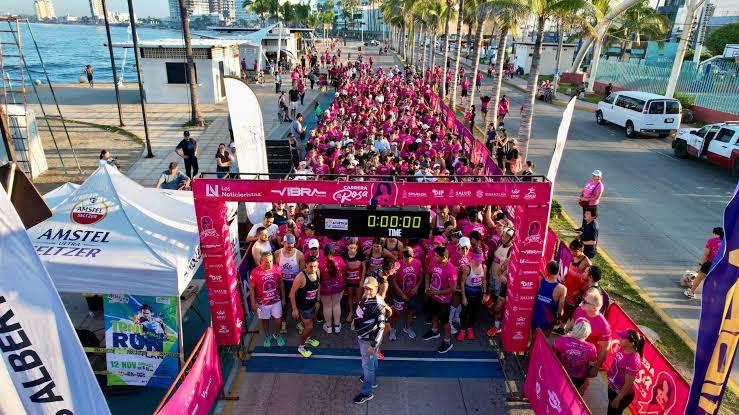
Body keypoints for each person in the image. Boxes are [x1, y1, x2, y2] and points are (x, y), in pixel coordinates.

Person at [352, 276, 387, 404]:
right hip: (364, 336)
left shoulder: (377, 304)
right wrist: (355, 321)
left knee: (367, 366)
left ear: (376, 288)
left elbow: (382, 327)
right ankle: (373, 380)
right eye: (365, 288)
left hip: (368, 339)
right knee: (372, 361)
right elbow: (360, 311)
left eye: (370, 289)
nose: (367, 291)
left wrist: (373, 345)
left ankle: (367, 392)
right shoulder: (366, 297)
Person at [570, 288, 611, 393]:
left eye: (584, 301)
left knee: (581, 381)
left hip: (586, 358)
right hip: (572, 350)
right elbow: (572, 325)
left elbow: (605, 350)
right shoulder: (579, 309)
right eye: (583, 299)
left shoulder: (604, 326)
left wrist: (596, 368)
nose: (581, 302)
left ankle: (579, 396)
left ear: (593, 307)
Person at [422, 246, 458, 353]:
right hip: (433, 296)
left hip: (444, 301)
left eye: (437, 256)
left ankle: (447, 342)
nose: (434, 257)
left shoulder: (451, 270)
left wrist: (436, 292)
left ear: (444, 258)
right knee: (434, 314)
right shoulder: (434, 262)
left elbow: (452, 289)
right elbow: (428, 273)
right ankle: (434, 331)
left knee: (445, 322)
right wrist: (427, 287)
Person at [249, 252, 286, 348]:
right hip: (262, 303)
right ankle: (267, 336)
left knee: (278, 320)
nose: (268, 263)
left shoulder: (277, 269)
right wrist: (253, 303)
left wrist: (283, 298)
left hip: (276, 300)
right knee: (265, 320)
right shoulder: (255, 272)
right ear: (260, 261)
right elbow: (252, 289)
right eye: (266, 262)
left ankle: (277, 335)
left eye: (270, 261)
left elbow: (281, 284)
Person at [290, 255, 321, 357]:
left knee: (312, 323)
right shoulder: (300, 277)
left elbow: (318, 285)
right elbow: (291, 294)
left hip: (313, 304)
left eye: (315, 266)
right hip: (303, 307)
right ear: (306, 265)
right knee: (309, 326)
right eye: (310, 266)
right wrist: (294, 309)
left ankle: (308, 338)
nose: (313, 269)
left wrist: (318, 300)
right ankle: (301, 347)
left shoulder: (318, 272)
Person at [553, 319, 598, 390]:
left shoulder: (561, 340)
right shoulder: (591, 348)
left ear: (575, 328)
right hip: (578, 377)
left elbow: (553, 354)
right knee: (571, 393)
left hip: (561, 372)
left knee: (556, 389)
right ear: (588, 333)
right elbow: (592, 363)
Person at [389, 246, 423, 340]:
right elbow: (394, 281)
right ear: (402, 255)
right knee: (397, 313)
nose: (407, 259)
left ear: (412, 255)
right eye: (405, 256)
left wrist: (416, 287)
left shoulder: (417, 263)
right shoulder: (397, 264)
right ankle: (393, 329)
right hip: (400, 294)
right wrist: (401, 294)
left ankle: (407, 327)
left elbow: (421, 277)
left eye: (409, 256)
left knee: (410, 311)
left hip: (412, 293)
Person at [607, 329, 644, 415]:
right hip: (613, 388)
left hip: (621, 394)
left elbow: (628, 384)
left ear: (632, 343)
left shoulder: (633, 360)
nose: (620, 338)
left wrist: (618, 399)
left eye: (623, 337)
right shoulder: (623, 348)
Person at [275, 234, 305, 334]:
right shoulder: (277, 253)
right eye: (288, 243)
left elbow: (302, 272)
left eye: (292, 243)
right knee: (283, 305)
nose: (290, 246)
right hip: (282, 283)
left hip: (294, 284)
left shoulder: (299, 254)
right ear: (283, 243)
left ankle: (298, 322)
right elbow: (276, 269)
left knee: (296, 305)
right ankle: (283, 322)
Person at [685, 227, 724, 299]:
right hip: (721, 265)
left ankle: (691, 292)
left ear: (715, 233)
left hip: (710, 263)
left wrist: (701, 265)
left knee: (699, 277)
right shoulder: (726, 242)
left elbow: (706, 254)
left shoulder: (711, 241)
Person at [531, 260, 566, 337]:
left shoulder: (540, 280)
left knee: (533, 340)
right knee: (543, 343)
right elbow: (560, 311)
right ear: (558, 271)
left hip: (536, 316)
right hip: (548, 320)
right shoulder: (562, 288)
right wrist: (559, 319)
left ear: (547, 270)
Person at [458, 250, 486, 341]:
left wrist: (485, 294)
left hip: (478, 293)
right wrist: (463, 297)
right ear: (472, 259)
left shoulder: (484, 267)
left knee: (474, 313)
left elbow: (484, 281)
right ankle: (462, 330)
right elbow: (462, 283)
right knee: (464, 313)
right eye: (477, 260)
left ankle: (469, 328)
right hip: (467, 292)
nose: (479, 262)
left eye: (480, 260)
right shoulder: (467, 268)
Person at [319, 245, 346, 334]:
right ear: (333, 252)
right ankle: (337, 326)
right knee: (336, 304)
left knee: (327, 306)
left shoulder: (320, 262)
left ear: (324, 253)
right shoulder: (339, 259)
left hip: (325, 288)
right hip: (338, 287)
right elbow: (344, 270)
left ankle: (328, 326)